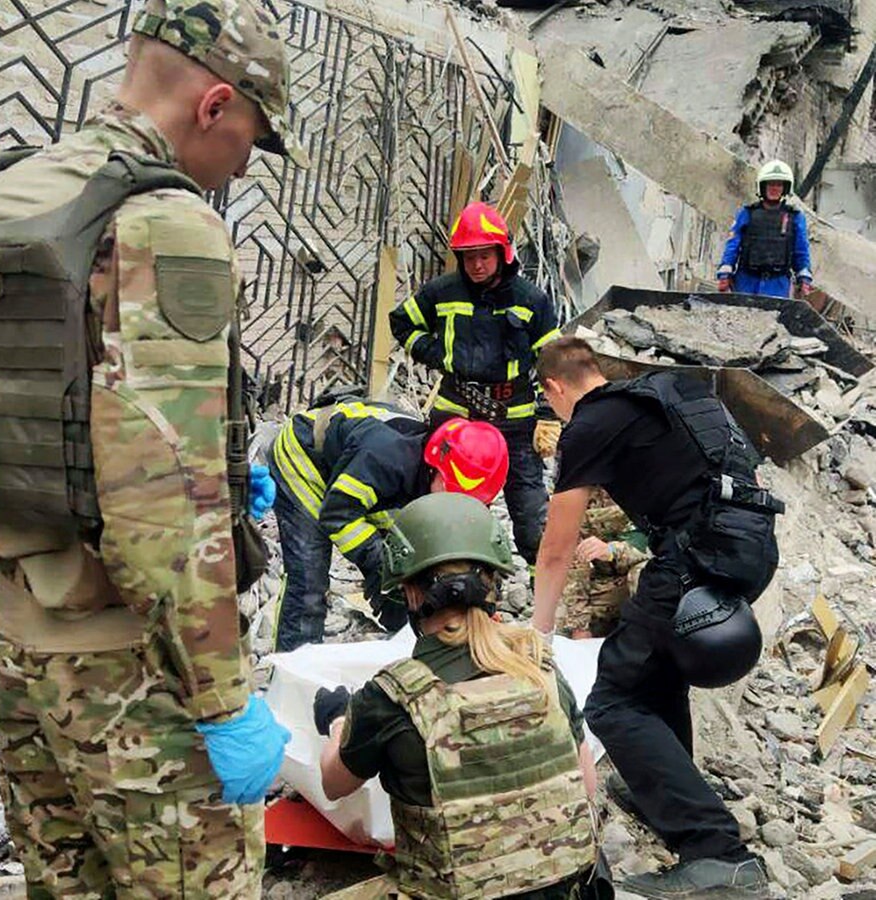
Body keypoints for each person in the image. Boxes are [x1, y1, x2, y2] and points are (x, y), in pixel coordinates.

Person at [0, 0, 304, 894]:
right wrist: (223, 704)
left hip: (16, 647)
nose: (242, 165)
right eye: (251, 138)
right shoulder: (166, 224)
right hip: (133, 671)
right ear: (215, 105)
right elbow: (161, 501)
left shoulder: (13, 189)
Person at [532, 337, 781, 899]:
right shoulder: (666, 391)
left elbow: (555, 548)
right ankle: (666, 795)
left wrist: (537, 635)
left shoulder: (588, 425)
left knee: (613, 700)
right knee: (655, 676)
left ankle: (717, 852)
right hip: (752, 541)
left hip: (695, 552)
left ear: (553, 388)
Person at [314, 492, 606, 900]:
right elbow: (585, 787)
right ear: (493, 583)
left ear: (411, 593)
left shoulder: (390, 697)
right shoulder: (540, 669)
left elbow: (334, 784)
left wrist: (339, 722)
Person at [389, 201, 562, 577]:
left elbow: (554, 361)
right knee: (445, 501)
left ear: (502, 253)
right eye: (468, 257)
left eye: (484, 256)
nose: (477, 265)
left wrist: (547, 416)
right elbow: (401, 323)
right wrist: (437, 355)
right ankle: (445, 575)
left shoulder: (531, 300)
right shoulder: (442, 292)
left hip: (513, 418)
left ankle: (542, 582)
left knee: (529, 507)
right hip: (456, 414)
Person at [269, 400, 509, 650]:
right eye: (452, 494)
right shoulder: (388, 459)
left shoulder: (427, 471)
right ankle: (290, 666)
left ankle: (408, 637)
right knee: (309, 582)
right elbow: (337, 516)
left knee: (406, 560)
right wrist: (385, 566)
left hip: (362, 474)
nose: (454, 505)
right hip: (305, 461)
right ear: (434, 466)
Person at [717, 159, 813, 299]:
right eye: (771, 184)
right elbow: (733, 245)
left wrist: (804, 278)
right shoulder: (747, 213)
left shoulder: (795, 217)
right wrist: (725, 272)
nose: (774, 188)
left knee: (772, 319)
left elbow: (801, 251)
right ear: (762, 187)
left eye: (779, 184)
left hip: (778, 284)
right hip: (746, 281)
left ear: (785, 188)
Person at [558, 491, 647, 640]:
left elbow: (656, 550)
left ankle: (648, 639)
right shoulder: (578, 494)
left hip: (650, 580)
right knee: (561, 623)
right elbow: (574, 565)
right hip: (608, 583)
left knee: (642, 573)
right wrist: (580, 626)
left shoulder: (646, 485)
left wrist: (612, 551)